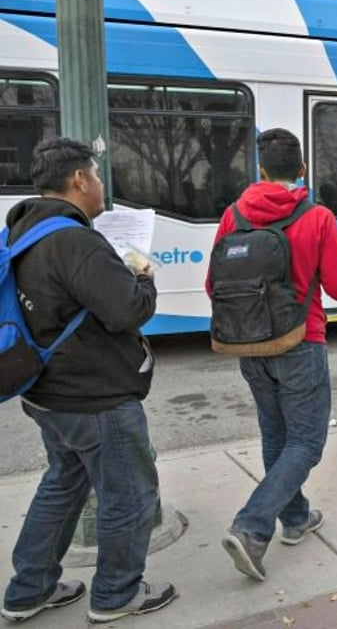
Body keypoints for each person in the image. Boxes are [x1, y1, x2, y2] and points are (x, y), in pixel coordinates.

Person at [1, 138, 176, 623]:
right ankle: (117, 594)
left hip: (45, 390)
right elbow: (126, 310)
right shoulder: (75, 239)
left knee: (63, 484)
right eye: (97, 176)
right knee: (130, 494)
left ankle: (28, 589)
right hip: (93, 395)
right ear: (79, 179)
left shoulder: (23, 230)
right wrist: (143, 274)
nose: (101, 186)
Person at [214, 128, 337, 581]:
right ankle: (253, 527)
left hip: (248, 343)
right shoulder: (316, 217)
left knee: (276, 435)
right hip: (300, 340)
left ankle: (295, 519)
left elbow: (212, 285)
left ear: (259, 170)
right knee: (307, 442)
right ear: (301, 170)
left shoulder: (232, 216)